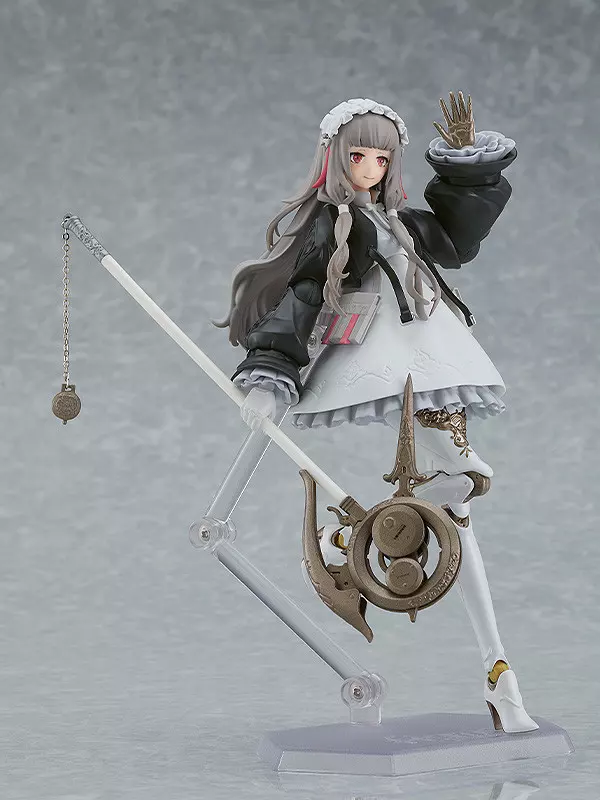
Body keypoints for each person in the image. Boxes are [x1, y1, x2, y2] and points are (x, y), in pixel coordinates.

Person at [213, 93, 537, 734]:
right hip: (389, 360)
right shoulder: (334, 224)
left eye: (382, 157)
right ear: (334, 156)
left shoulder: (398, 220)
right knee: (464, 480)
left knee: (460, 505)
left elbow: (455, 239)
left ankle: (495, 670)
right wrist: (271, 371)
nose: (369, 167)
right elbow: (305, 292)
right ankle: (382, 531)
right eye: (357, 155)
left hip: (435, 358)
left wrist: (465, 167)